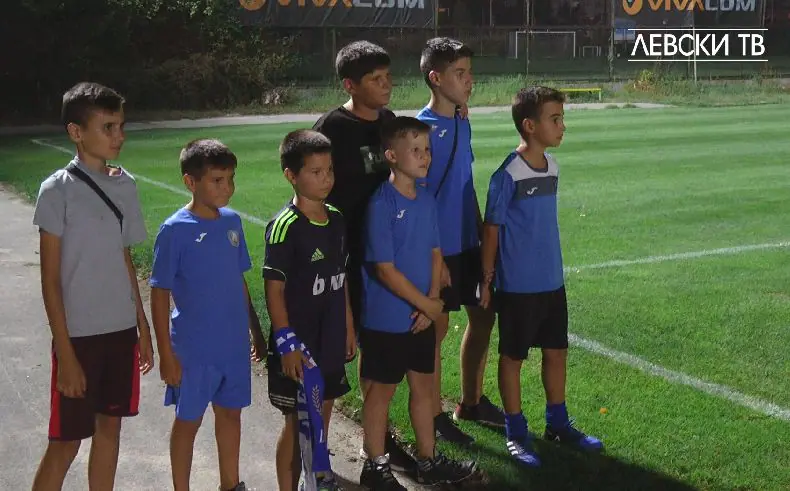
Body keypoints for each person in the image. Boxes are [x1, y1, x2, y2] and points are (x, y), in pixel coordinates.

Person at [31, 82, 154, 491]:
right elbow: (50, 280)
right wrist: (65, 354)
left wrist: (143, 327)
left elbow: (124, 260)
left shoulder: (126, 185)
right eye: (108, 127)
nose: (119, 136)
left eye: (121, 126)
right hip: (79, 338)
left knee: (110, 430)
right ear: (76, 132)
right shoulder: (56, 191)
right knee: (65, 442)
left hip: (120, 332)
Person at [480, 86, 604, 467]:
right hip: (518, 287)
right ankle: (516, 432)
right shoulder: (508, 174)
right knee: (512, 357)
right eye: (555, 119)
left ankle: (558, 423)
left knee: (556, 352)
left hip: (552, 282)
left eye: (562, 118)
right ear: (530, 126)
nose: (562, 126)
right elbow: (491, 228)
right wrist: (487, 278)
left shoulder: (552, 167)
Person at [359, 116, 480, 490]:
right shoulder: (381, 204)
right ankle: (375, 465)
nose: (425, 156)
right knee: (381, 393)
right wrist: (426, 306)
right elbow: (384, 270)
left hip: (421, 315)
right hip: (387, 318)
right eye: (415, 150)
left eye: (427, 149)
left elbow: (434, 253)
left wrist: (432, 300)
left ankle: (428, 461)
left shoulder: (426, 199)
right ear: (391, 156)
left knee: (424, 389)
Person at [311, 41, 415, 471]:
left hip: (384, 261)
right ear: (350, 85)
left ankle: (378, 444)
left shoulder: (390, 123)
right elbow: (313, 195)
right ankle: (316, 460)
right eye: (375, 79)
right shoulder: (331, 129)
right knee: (332, 364)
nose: (386, 85)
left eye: (388, 76)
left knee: (381, 358)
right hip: (343, 262)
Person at [149, 139, 256, 491]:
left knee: (231, 415)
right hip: (195, 349)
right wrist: (166, 353)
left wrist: (254, 330)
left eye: (230, 179)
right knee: (188, 422)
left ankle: (230, 484)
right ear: (190, 182)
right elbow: (160, 293)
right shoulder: (174, 230)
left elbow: (238, 279)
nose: (227, 188)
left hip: (232, 346)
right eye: (217, 180)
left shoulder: (233, 222)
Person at [415, 37, 503, 446]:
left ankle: (470, 402)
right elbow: (419, 201)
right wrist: (435, 258)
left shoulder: (462, 121)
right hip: (440, 250)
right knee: (436, 329)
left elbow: (463, 185)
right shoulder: (420, 132)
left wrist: (483, 235)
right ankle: (433, 416)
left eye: (470, 73)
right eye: (460, 73)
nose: (470, 81)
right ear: (436, 78)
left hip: (468, 243)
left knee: (483, 316)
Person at [263, 129, 357, 491]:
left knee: (323, 413)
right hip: (299, 347)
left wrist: (348, 325)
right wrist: (286, 341)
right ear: (291, 175)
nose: (326, 179)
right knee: (296, 423)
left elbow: (340, 278)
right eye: (316, 172)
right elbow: (274, 288)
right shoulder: (284, 227)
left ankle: (316, 478)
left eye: (329, 170)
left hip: (330, 336)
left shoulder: (336, 218)